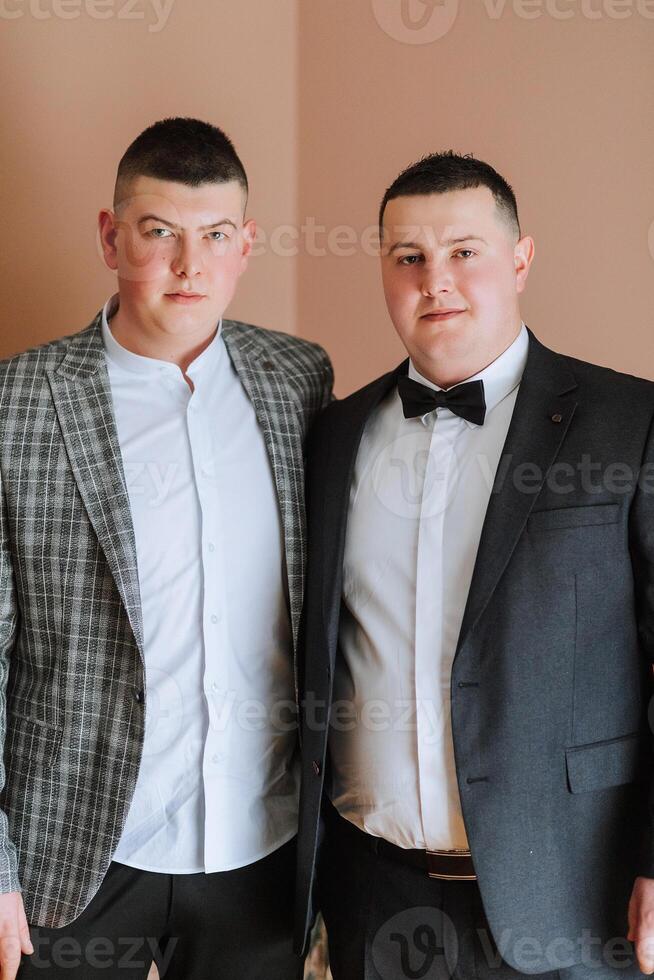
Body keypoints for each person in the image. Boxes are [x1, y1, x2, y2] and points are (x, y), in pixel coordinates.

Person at [295, 152, 654, 980]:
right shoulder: (334, 436)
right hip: (371, 893)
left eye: (464, 252)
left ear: (521, 260)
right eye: (408, 258)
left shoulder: (628, 423)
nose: (436, 281)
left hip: (571, 896)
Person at [0, 116, 333, 980]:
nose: (191, 266)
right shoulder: (17, 402)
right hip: (73, 854)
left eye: (215, 236)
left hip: (261, 849)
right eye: (160, 234)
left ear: (246, 244)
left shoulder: (299, 379)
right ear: (112, 238)